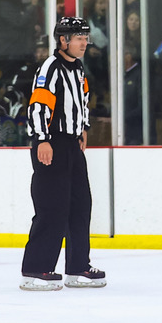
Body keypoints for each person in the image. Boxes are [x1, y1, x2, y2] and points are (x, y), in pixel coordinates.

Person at [20, 17, 106, 291]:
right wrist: (41, 139)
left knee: (80, 205)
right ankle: (35, 269)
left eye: (86, 38)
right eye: (79, 38)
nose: (84, 43)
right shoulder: (50, 67)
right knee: (52, 207)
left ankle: (77, 267)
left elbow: (83, 100)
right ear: (63, 40)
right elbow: (38, 106)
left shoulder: (78, 68)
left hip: (71, 143)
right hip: (51, 143)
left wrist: (83, 128)